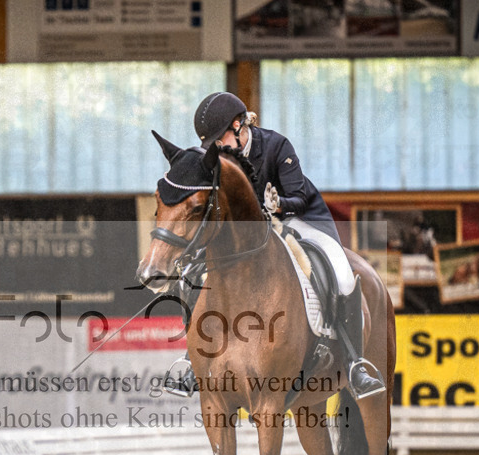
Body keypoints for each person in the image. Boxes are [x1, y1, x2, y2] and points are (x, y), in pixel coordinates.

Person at [164, 91, 385, 400]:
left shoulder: (276, 146)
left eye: (219, 138)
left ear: (238, 126)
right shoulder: (217, 158)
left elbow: (300, 197)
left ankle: (354, 363)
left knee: (343, 274)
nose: (215, 148)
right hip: (251, 234)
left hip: (298, 219)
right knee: (194, 273)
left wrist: (278, 203)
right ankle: (193, 360)